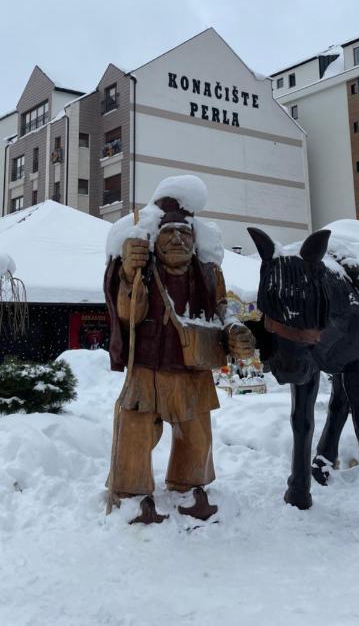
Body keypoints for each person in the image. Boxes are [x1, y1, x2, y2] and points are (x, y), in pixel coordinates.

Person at [104, 177, 255, 523]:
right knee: (135, 430)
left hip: (192, 366)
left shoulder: (206, 273)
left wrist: (234, 329)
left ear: (194, 240)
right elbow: (128, 314)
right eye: (169, 233)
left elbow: (221, 307)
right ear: (155, 240)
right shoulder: (142, 269)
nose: (177, 240)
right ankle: (130, 493)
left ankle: (190, 486)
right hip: (147, 366)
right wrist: (129, 272)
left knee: (196, 435)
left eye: (185, 234)